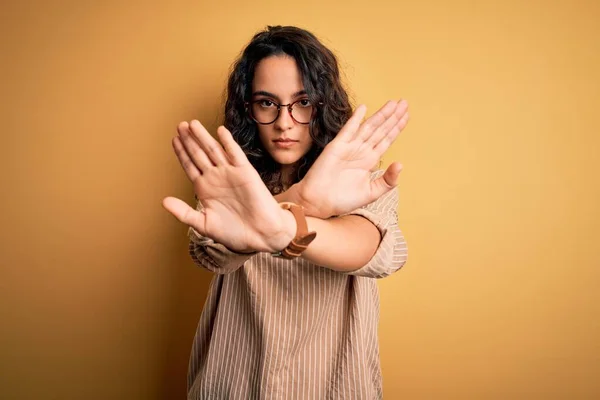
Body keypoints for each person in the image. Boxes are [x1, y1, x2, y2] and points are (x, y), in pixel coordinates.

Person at [163, 25, 409, 399]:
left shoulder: (360, 181)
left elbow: (369, 250)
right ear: (248, 108)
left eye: (303, 102)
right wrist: (303, 202)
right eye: (267, 103)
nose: (284, 122)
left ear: (324, 104)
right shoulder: (230, 184)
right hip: (233, 384)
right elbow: (213, 253)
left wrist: (286, 220)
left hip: (332, 386)